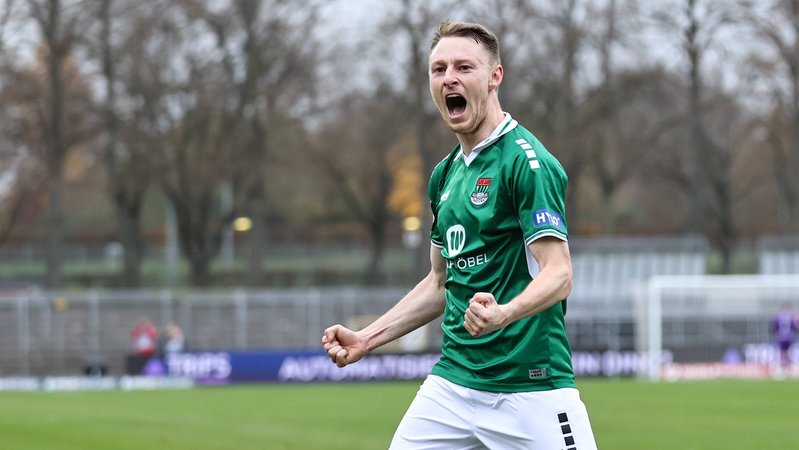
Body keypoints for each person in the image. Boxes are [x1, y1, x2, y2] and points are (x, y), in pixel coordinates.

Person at [323, 21, 597, 449]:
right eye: (439, 69)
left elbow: (559, 274)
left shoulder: (527, 163)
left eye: (464, 67)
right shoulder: (444, 175)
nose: (449, 77)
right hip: (452, 385)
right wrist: (367, 339)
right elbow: (440, 282)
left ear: (494, 77)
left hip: (530, 387)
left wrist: (505, 313)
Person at [771, 304, 798, 369]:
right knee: (788, 352)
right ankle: (788, 366)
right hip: (789, 337)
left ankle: (783, 366)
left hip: (780, 337)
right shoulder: (792, 316)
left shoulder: (777, 316)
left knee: (782, 353)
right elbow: (796, 326)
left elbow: (773, 327)